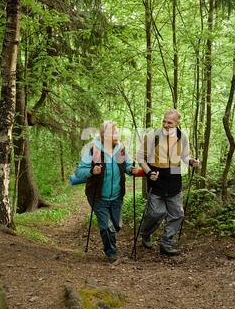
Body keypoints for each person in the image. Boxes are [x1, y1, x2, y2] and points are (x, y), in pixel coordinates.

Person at [137, 109, 200, 256]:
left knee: (177, 214)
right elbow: (141, 158)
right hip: (156, 176)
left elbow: (185, 156)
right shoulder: (153, 136)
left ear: (177, 123)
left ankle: (167, 242)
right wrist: (148, 172)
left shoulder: (182, 137)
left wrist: (191, 162)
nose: (166, 124)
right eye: (164, 121)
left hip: (174, 176)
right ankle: (145, 233)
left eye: (170, 123)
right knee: (155, 213)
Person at [75, 121, 138, 261]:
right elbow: (79, 172)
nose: (118, 134)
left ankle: (110, 242)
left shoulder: (121, 149)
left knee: (116, 225)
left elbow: (127, 166)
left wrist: (131, 170)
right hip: (98, 196)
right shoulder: (93, 149)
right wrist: (92, 170)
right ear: (104, 135)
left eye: (117, 131)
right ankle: (111, 252)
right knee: (106, 226)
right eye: (114, 132)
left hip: (117, 196)